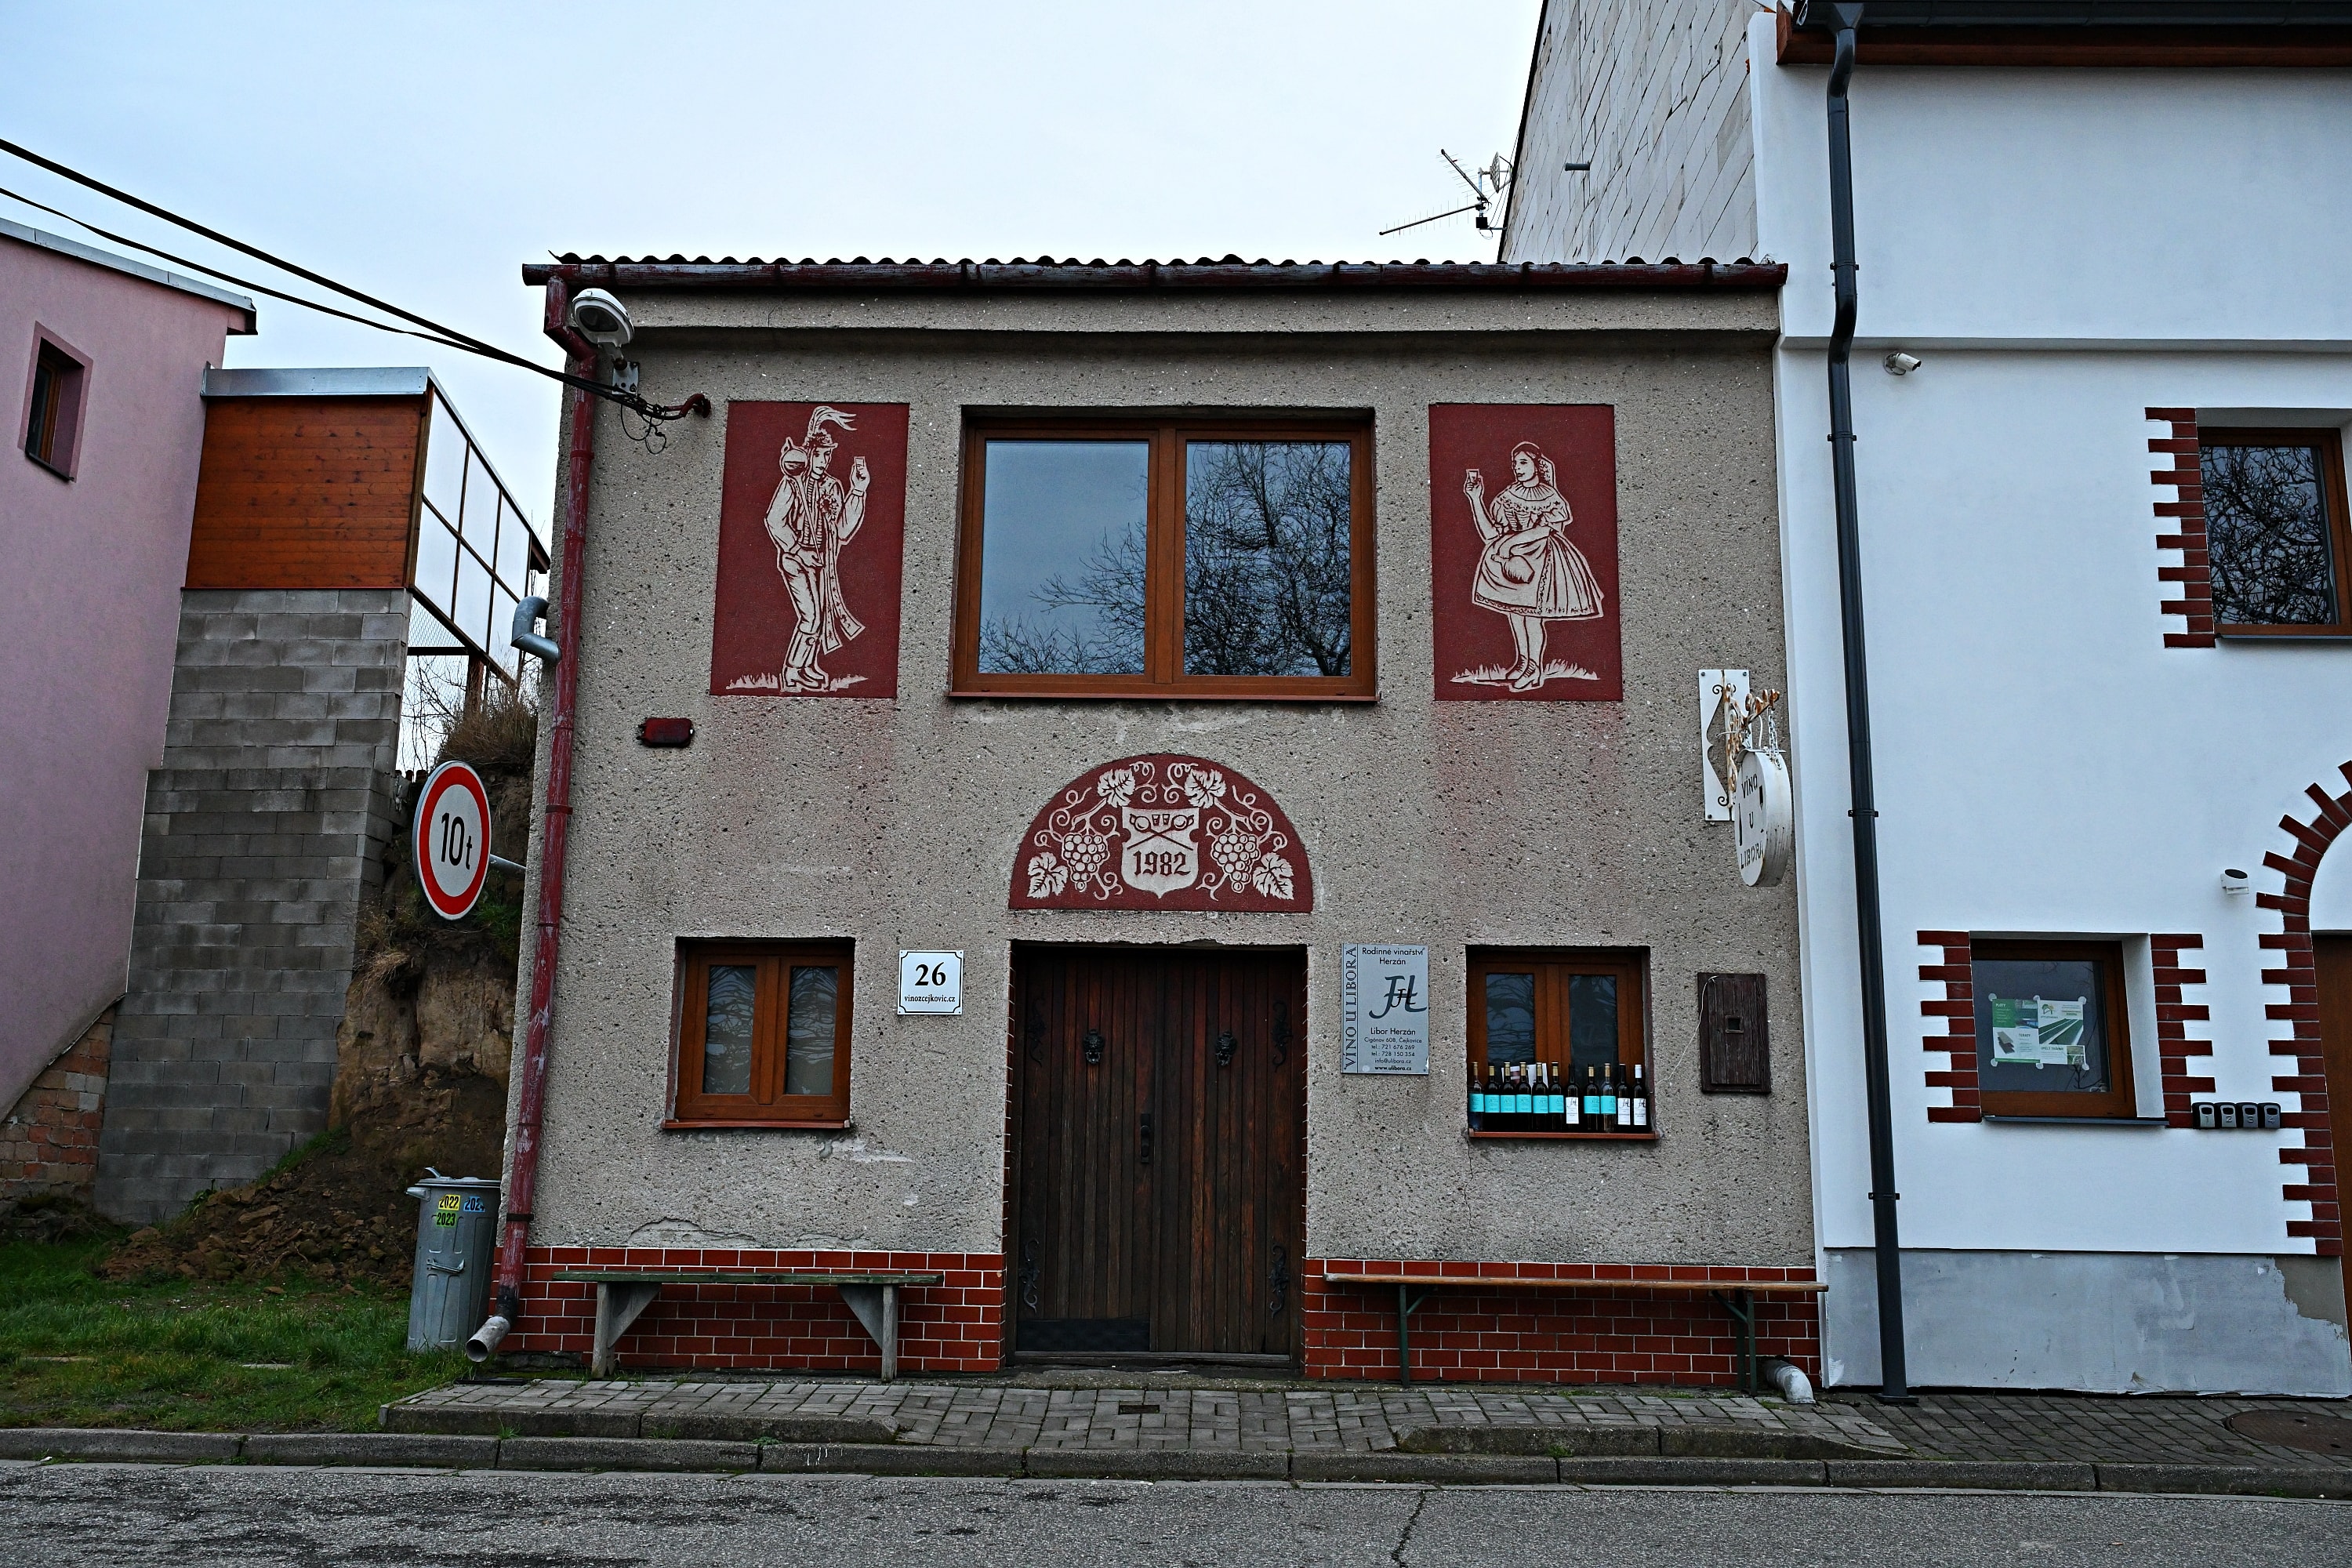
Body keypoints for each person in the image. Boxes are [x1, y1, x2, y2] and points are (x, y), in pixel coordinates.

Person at [1463, 441, 1603, 690]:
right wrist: (1475, 499)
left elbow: (1548, 529)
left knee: (1531, 617)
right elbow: (1490, 534)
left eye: (1523, 462)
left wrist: (1511, 542)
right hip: (1513, 564)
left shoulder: (1550, 496)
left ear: (1537, 465)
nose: (1517, 468)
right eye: (1514, 463)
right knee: (1515, 613)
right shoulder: (1507, 496)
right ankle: (1523, 662)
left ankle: (1534, 669)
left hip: (1541, 560)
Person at [762, 405, 871, 691]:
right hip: (796, 561)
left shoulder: (833, 486)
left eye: (828, 455)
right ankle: (792, 670)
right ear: (808, 454)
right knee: (810, 617)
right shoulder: (792, 482)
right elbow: (774, 520)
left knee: (820, 619)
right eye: (820, 454)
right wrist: (798, 549)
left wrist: (858, 491)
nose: (824, 461)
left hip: (823, 562)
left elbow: (843, 530)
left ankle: (808, 666)